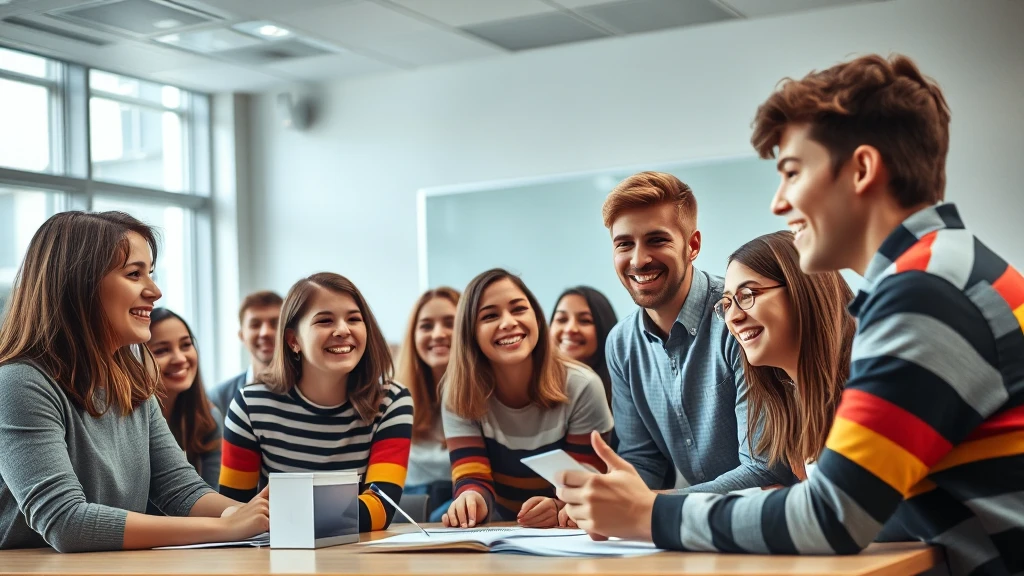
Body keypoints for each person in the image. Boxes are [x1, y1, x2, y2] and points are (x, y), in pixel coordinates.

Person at [556, 54, 1024, 576]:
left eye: (793, 173)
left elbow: (832, 517)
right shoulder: (950, 268)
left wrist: (651, 513)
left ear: (862, 170)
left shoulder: (924, 293)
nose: (779, 202)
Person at [0, 211, 268, 551]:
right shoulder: (20, 383)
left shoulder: (133, 383)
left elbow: (180, 490)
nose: (155, 291)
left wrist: (251, 516)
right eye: (134, 274)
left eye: (150, 274)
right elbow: (66, 522)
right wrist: (227, 527)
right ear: (80, 283)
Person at [602, 171, 794, 492]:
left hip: (767, 516)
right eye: (624, 244)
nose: (638, 259)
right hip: (697, 527)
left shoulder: (738, 317)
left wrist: (648, 507)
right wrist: (588, 502)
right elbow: (643, 462)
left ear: (692, 245)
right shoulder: (621, 345)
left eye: (657, 240)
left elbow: (764, 470)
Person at [218, 273, 412, 533]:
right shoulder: (250, 404)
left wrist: (282, 512)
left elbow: (380, 508)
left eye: (354, 319)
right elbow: (235, 511)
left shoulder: (392, 401)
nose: (343, 330)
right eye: (325, 320)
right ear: (293, 340)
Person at [441, 269, 613, 529]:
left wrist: (558, 506)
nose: (508, 322)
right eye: (489, 315)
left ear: (536, 316)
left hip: (568, 534)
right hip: (497, 532)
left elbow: (585, 484)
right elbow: (472, 478)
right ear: (470, 333)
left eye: (519, 309)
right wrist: (470, 499)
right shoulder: (457, 394)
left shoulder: (582, 386)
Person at [716, 231, 854, 480]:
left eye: (747, 296)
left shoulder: (869, 389)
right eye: (726, 304)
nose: (733, 317)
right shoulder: (788, 408)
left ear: (801, 289)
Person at [396, 287, 460, 523]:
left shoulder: (488, 401)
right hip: (405, 513)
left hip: (461, 512)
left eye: (449, 323)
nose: (437, 334)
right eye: (426, 326)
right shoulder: (396, 399)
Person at [146, 308, 223, 491]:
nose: (180, 359)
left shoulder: (208, 418)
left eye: (186, 345)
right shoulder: (126, 423)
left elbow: (213, 494)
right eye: (162, 350)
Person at [210, 291, 283, 417]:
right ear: (242, 335)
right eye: (255, 325)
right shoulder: (218, 399)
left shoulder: (310, 392)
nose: (265, 332)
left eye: (275, 323)